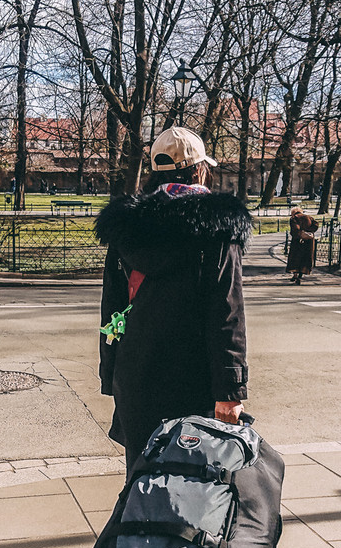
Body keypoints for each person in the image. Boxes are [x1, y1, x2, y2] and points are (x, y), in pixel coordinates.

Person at [95, 126, 251, 474]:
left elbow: (112, 307)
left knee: (141, 480)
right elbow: (227, 311)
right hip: (194, 377)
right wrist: (230, 389)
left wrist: (111, 372)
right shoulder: (217, 226)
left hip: (136, 374)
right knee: (191, 488)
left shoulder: (127, 225)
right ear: (200, 169)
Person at [286, 205, 318, 285]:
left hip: (297, 241)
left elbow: (295, 229)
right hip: (309, 242)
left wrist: (301, 233)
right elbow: (316, 225)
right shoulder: (309, 217)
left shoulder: (294, 218)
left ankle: (295, 275)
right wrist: (309, 232)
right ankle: (300, 275)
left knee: (295, 258)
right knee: (305, 258)